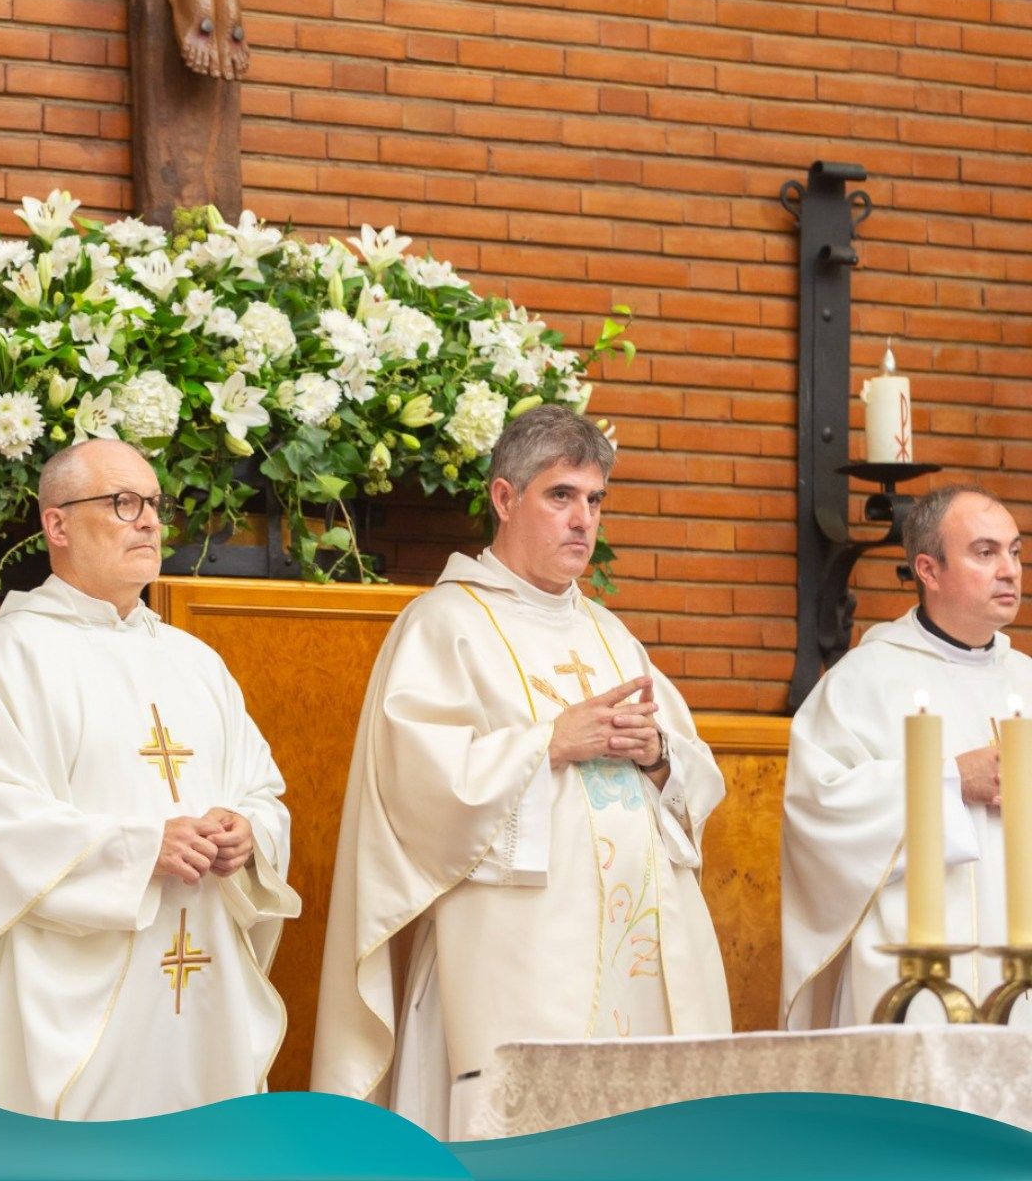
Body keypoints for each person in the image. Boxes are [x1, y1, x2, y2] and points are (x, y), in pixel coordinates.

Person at [311, 405, 731, 1138]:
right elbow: (418, 789)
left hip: (641, 957)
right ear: (505, 499)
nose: (583, 520)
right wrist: (550, 743)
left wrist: (656, 755)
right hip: (515, 962)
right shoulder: (445, 623)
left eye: (594, 500)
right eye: (560, 496)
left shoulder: (610, 633)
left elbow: (696, 779)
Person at [0, 438, 300, 1119]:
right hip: (71, 1002)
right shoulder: (12, 660)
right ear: (57, 525)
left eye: (155, 505)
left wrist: (249, 832)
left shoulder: (197, 662)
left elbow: (262, 788)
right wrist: (140, 851)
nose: (150, 522)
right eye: (123, 503)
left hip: (202, 992)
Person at [782, 484, 1032, 1027]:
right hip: (913, 974)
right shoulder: (865, 680)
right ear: (929, 569)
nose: (1010, 570)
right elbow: (816, 809)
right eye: (985, 552)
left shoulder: (1027, 680)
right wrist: (946, 780)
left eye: (1014, 551)